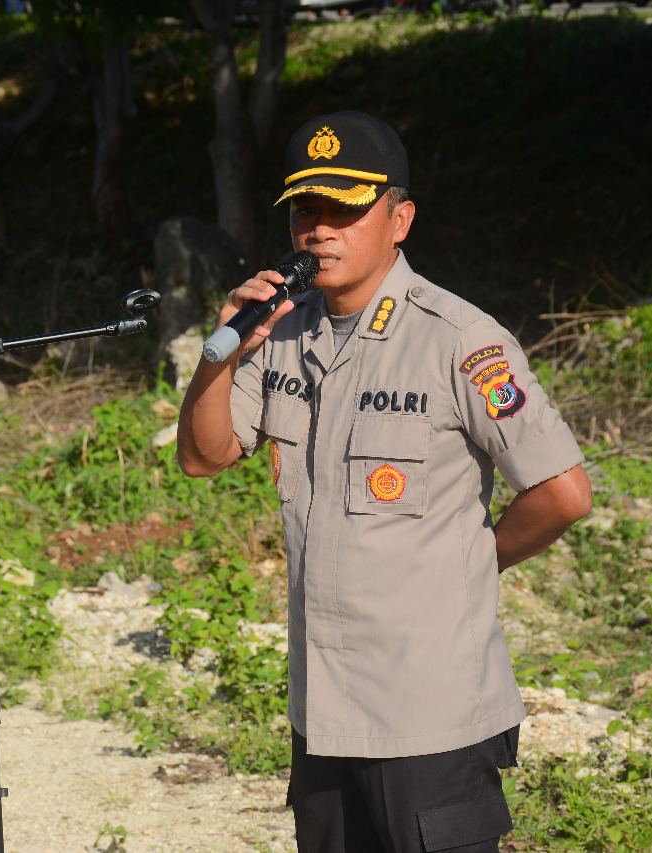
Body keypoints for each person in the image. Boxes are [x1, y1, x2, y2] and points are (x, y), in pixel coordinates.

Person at [176, 110, 592, 853]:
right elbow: (205, 456)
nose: (320, 230)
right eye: (307, 210)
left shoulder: (458, 339)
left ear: (399, 219)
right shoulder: (283, 332)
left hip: (427, 714)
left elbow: (563, 493)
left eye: (345, 209)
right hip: (325, 710)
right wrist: (224, 348)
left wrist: (475, 556)